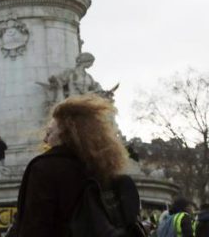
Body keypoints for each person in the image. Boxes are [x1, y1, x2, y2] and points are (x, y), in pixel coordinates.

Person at [8, 94, 130, 237]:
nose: (45, 140)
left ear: (66, 132)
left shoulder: (45, 168)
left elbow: (36, 226)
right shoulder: (101, 167)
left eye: (49, 132)